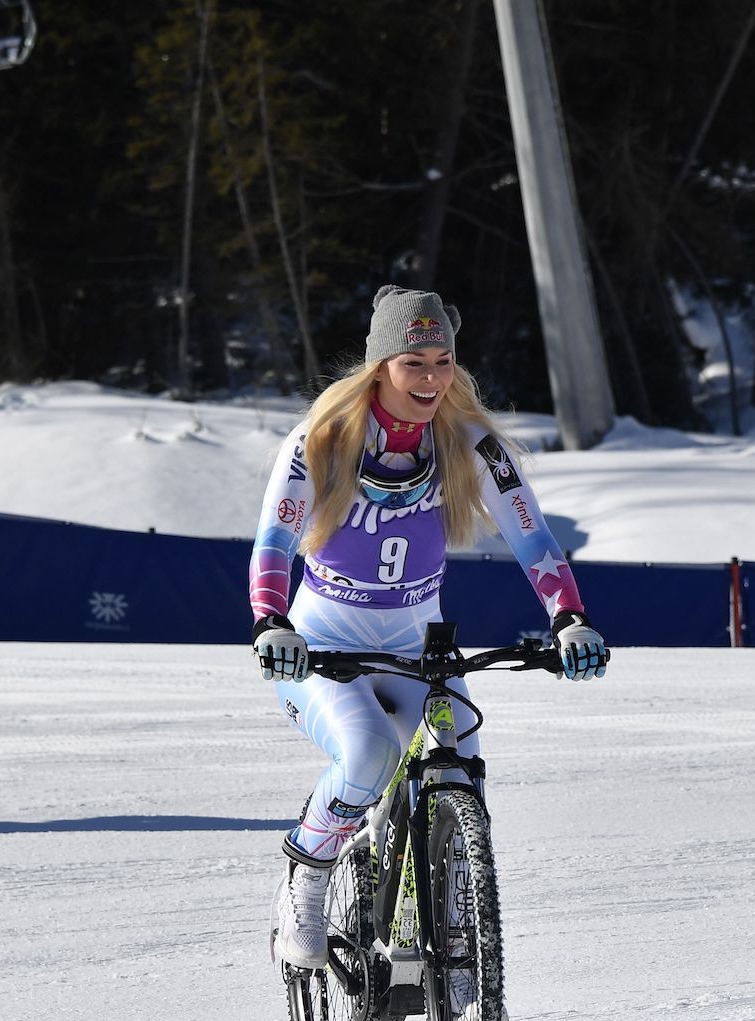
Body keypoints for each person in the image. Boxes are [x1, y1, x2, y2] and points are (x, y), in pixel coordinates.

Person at [250, 285, 608, 970]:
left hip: (418, 642)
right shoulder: (322, 438)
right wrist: (271, 622)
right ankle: (306, 874)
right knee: (366, 755)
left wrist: (569, 618)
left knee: (462, 753)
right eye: (415, 362)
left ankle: (453, 913)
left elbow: (534, 540)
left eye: (443, 361)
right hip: (324, 642)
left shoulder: (470, 442)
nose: (433, 378)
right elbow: (272, 542)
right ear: (380, 364)